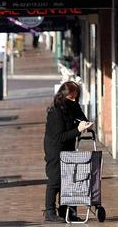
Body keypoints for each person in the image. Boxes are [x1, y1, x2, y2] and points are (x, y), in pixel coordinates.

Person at [43, 81, 92, 223]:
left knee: (69, 179)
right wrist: (78, 130)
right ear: (63, 95)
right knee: (55, 179)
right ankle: (50, 212)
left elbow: (82, 119)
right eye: (71, 98)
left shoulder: (74, 106)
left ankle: (67, 211)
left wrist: (86, 125)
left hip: (69, 146)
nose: (74, 100)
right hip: (55, 148)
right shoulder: (55, 112)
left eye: (76, 97)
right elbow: (59, 136)